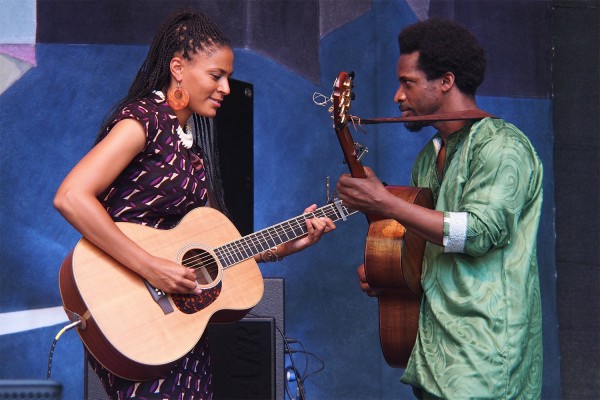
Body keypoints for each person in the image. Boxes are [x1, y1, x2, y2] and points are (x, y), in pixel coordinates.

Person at [53, 8, 335, 399]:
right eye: (216, 76)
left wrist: (289, 245)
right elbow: (70, 197)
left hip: (179, 333)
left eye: (228, 78)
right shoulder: (143, 122)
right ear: (178, 68)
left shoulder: (194, 152)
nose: (226, 89)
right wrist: (152, 268)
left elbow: (218, 253)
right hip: (133, 311)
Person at [336, 18, 543, 399]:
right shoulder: (428, 157)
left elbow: (476, 234)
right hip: (433, 357)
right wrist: (387, 272)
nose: (398, 96)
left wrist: (386, 202)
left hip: (485, 360)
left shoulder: (504, 147)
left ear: (445, 81)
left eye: (408, 83)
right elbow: (426, 245)